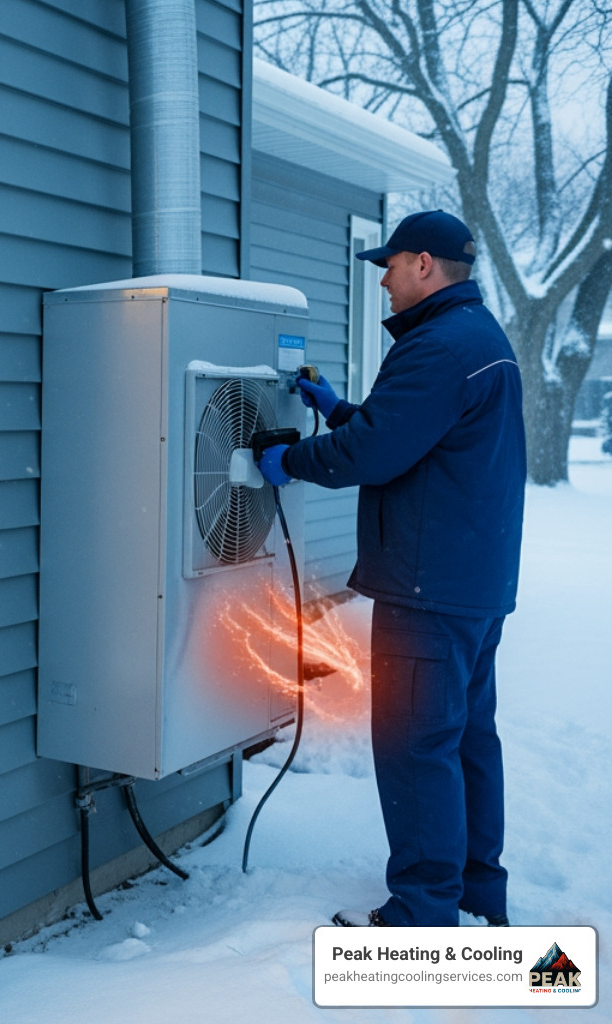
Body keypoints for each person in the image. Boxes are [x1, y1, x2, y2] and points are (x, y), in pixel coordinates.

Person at [256, 210, 526, 928]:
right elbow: (412, 436)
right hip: (471, 581)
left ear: (425, 265)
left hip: (427, 585)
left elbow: (376, 453)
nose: (382, 280)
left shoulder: (438, 345)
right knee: (465, 740)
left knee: (415, 746)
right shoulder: (476, 336)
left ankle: (422, 911)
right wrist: (341, 411)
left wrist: (290, 461)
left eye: (391, 265)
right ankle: (475, 893)